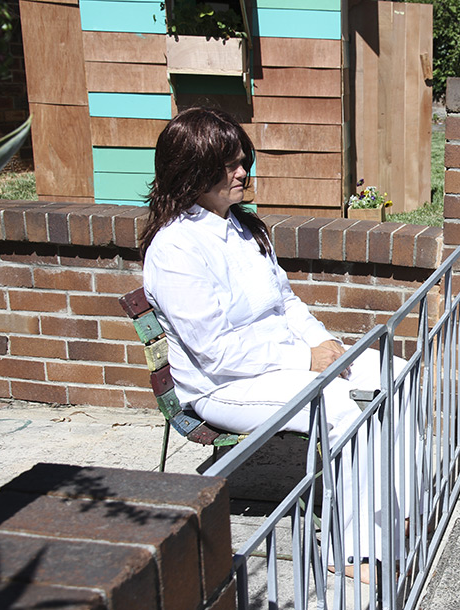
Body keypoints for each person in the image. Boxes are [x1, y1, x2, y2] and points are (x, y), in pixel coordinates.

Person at [139, 107, 406, 577]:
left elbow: (287, 304)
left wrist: (327, 349)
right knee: (345, 405)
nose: (243, 172)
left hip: (275, 366)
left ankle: (398, 509)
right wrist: (306, 359)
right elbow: (215, 351)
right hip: (222, 386)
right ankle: (355, 551)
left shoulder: (244, 229)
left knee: (394, 371)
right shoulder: (175, 248)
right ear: (190, 168)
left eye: (244, 160)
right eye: (229, 164)